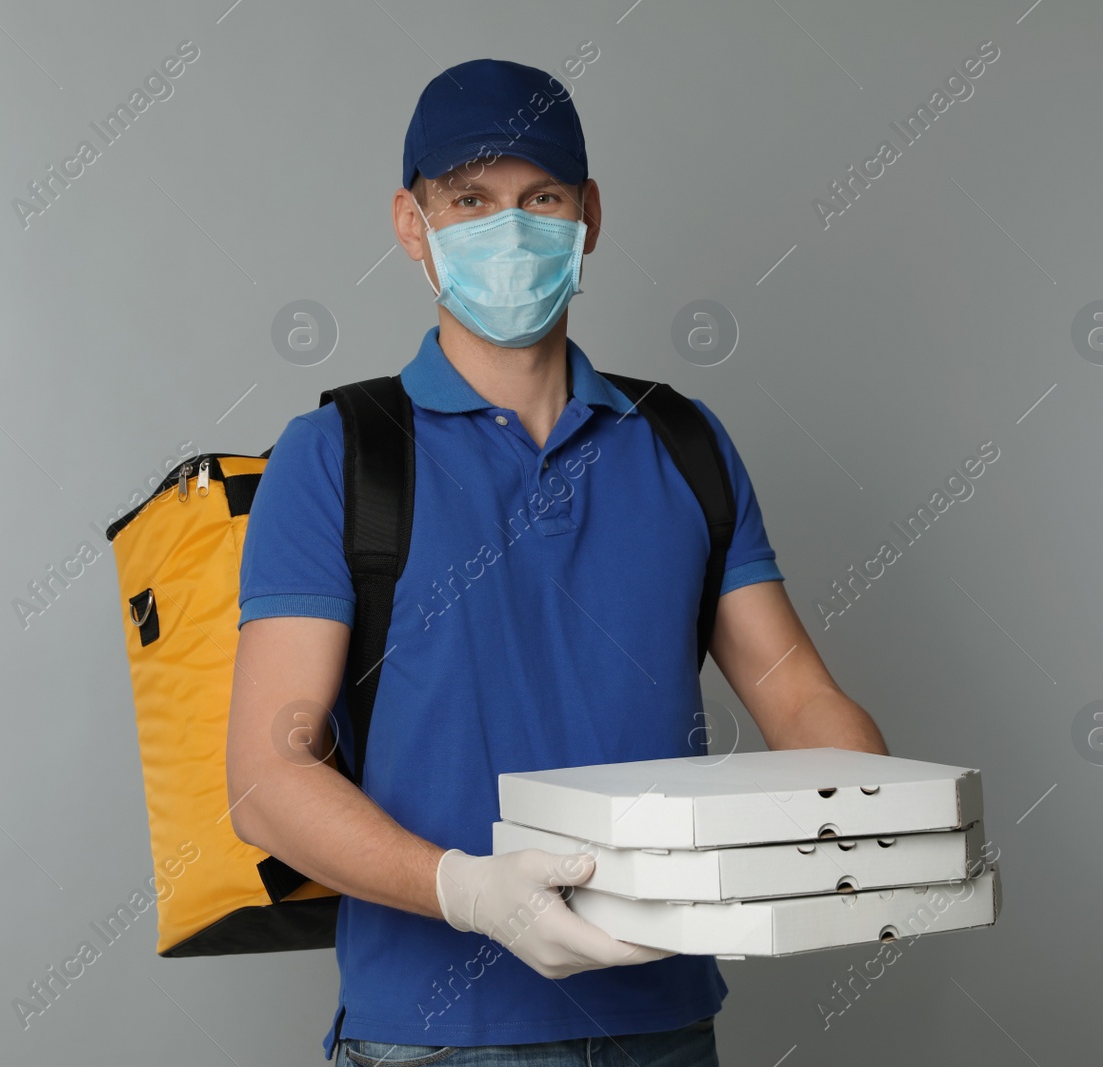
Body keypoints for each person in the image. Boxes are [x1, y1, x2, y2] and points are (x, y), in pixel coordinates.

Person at [227, 57, 888, 1067]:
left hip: (662, 1018)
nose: (508, 226)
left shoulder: (681, 441)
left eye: (539, 196)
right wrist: (467, 888)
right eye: (469, 199)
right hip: (434, 1034)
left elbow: (791, 687)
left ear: (588, 215)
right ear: (412, 223)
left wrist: (890, 822)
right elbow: (268, 771)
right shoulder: (342, 454)